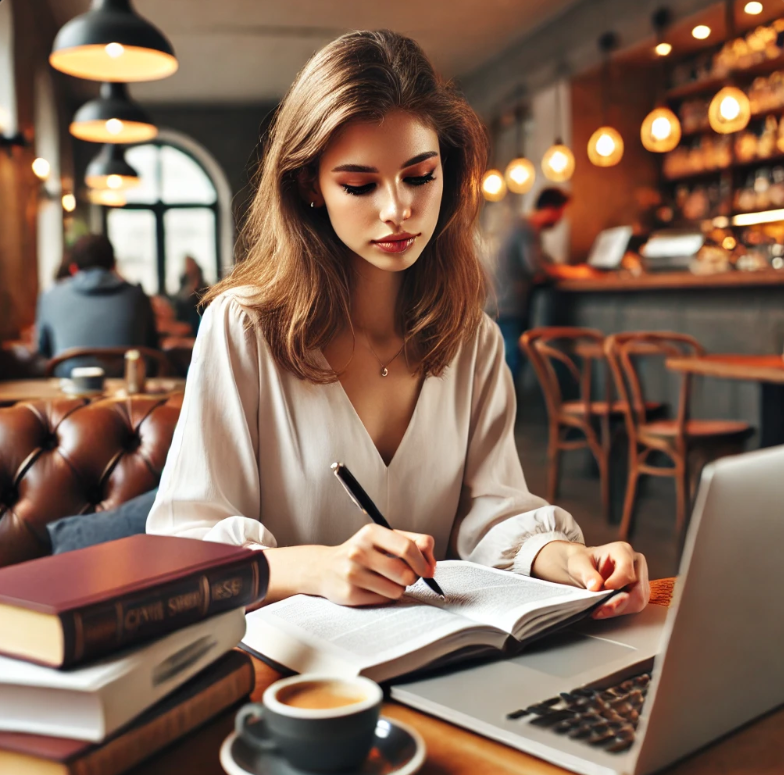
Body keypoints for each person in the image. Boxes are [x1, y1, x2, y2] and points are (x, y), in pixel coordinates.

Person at [147, 30, 648, 619]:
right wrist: (321, 568)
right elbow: (186, 547)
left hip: (440, 665)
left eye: (419, 176)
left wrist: (569, 558)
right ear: (309, 185)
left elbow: (494, 513)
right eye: (359, 185)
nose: (398, 210)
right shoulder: (244, 327)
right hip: (290, 679)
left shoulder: (472, 339)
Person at [36, 234, 158, 376]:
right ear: (113, 265)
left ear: (73, 268)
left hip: (65, 393)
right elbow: (152, 347)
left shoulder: (50, 296)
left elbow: (43, 352)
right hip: (128, 391)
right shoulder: (138, 296)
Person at [494, 187, 570, 382]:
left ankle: (504, 411)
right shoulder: (526, 228)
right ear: (551, 208)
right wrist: (577, 274)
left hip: (502, 305)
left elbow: (544, 262)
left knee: (507, 364)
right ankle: (505, 412)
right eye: (561, 213)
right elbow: (537, 268)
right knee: (511, 364)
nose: (561, 219)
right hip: (509, 307)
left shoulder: (522, 227)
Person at [173, 255, 207, 335]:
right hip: (183, 319)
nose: (187, 266)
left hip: (195, 322)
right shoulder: (183, 284)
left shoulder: (203, 288)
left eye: (189, 263)